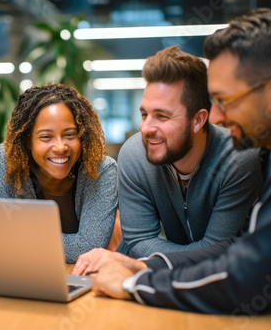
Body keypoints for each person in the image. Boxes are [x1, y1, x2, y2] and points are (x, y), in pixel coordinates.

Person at [89, 8, 271, 329]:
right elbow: (242, 254)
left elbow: (245, 278)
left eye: (226, 100)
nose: (221, 118)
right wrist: (145, 268)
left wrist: (134, 284)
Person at [75, 45, 261, 274]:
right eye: (144, 114)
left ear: (198, 120)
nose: (146, 128)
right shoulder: (135, 154)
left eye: (162, 116)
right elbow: (139, 241)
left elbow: (218, 251)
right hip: (144, 278)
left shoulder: (238, 157)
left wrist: (149, 261)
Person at [0, 83, 117, 263]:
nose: (61, 147)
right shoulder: (1, 162)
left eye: (70, 134)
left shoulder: (101, 169)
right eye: (46, 137)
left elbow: (88, 247)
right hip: (20, 273)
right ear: (27, 140)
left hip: (81, 277)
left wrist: (16, 240)